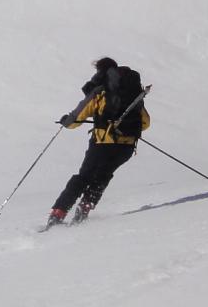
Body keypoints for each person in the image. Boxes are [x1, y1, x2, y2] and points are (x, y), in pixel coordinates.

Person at [47, 57, 150, 226]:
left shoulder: (101, 91)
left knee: (83, 177)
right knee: (103, 175)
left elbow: (76, 118)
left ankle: (58, 214)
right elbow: (145, 123)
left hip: (103, 144)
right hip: (126, 147)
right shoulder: (134, 94)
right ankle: (83, 210)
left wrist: (66, 122)